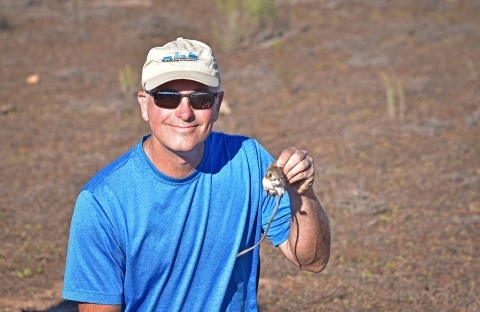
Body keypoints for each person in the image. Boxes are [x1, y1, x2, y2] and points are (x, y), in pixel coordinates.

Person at [62, 37, 331, 312]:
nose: (184, 112)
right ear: (145, 105)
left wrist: (304, 195)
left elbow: (311, 260)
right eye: (167, 98)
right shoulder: (102, 202)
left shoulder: (249, 160)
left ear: (216, 105)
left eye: (200, 99)